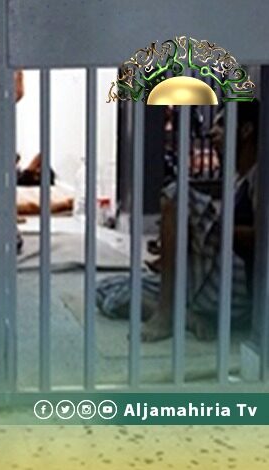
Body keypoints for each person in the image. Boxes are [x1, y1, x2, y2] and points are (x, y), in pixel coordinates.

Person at [97, 102, 259, 342]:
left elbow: (260, 238)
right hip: (209, 283)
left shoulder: (260, 176)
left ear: (246, 130)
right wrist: (177, 247)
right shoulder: (237, 179)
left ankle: (165, 314)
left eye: (222, 125)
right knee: (106, 291)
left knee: (177, 195)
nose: (211, 132)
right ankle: (184, 317)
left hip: (237, 290)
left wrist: (208, 232)